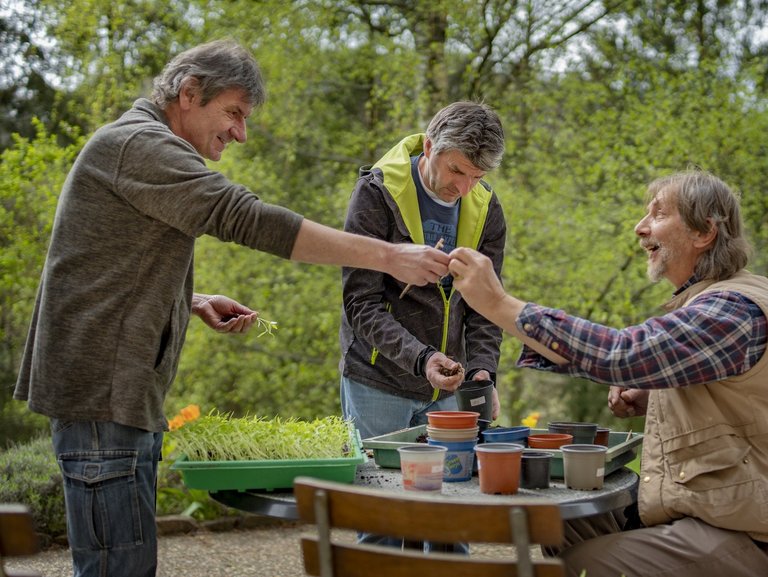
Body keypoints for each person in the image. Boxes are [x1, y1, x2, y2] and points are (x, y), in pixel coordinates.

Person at [13, 40, 449, 577]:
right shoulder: (140, 146)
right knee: (117, 570)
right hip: (104, 395)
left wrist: (189, 299)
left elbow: (102, 264)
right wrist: (389, 256)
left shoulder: (139, 147)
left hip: (119, 394)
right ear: (190, 92)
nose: (240, 132)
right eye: (234, 113)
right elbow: (244, 217)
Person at [447, 169, 768, 577]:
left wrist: (499, 304)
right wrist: (656, 396)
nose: (640, 227)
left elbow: (622, 352)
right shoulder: (711, 303)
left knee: (579, 566)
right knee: (558, 518)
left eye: (658, 213)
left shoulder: (732, 310)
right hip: (704, 510)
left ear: (703, 232)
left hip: (743, 532)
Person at [338, 100, 507, 442]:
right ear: (430, 147)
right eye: (457, 170)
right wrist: (422, 359)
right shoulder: (377, 193)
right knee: (378, 491)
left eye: (477, 176)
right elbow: (360, 304)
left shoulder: (486, 208)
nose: (464, 188)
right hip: (378, 381)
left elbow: (487, 304)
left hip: (449, 391)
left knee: (447, 492)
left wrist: (481, 370)